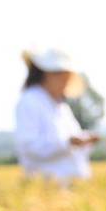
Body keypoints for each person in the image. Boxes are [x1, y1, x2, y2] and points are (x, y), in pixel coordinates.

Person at [15, 48, 99, 182]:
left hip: (72, 184)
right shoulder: (29, 101)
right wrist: (68, 142)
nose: (64, 82)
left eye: (66, 77)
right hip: (47, 186)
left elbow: (73, 143)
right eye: (60, 75)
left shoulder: (62, 107)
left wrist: (82, 140)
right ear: (46, 74)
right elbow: (28, 145)